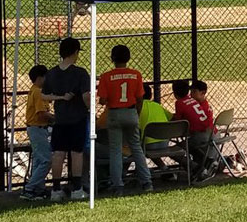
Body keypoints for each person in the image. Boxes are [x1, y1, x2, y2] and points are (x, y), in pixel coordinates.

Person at [97, 44, 152, 195]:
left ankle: (118, 185)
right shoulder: (136, 74)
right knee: (136, 147)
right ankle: (146, 182)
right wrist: (136, 113)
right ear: (128, 58)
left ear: (112, 58)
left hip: (114, 113)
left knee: (115, 150)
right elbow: (139, 98)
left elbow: (102, 100)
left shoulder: (106, 76)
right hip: (131, 111)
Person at [43, 37, 92, 201]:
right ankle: (77, 188)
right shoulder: (80, 73)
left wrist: (60, 98)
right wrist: (90, 109)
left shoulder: (51, 73)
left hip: (60, 119)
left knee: (58, 153)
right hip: (77, 118)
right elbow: (86, 96)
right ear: (75, 52)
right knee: (76, 152)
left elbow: (44, 95)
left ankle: (56, 189)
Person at [19, 65, 53, 201]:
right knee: (46, 160)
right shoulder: (38, 92)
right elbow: (41, 114)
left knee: (38, 160)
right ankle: (29, 188)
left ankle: (38, 189)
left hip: (37, 129)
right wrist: (56, 118)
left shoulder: (35, 90)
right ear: (40, 78)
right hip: (37, 128)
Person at [175, 80, 216, 172]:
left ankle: (196, 168)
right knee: (189, 145)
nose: (191, 94)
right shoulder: (194, 101)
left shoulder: (180, 103)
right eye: (191, 91)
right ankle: (208, 161)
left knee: (176, 149)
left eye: (193, 91)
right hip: (208, 132)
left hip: (202, 134)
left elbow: (178, 121)